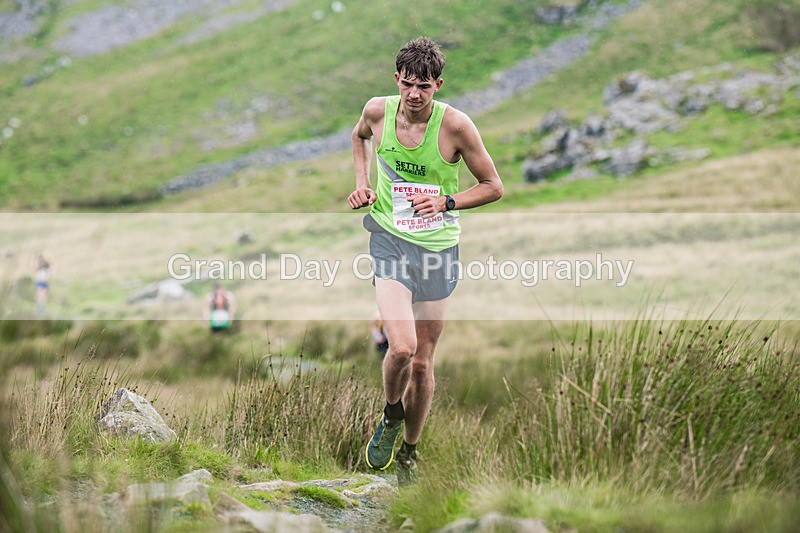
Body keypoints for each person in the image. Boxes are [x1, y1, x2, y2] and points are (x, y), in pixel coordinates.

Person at [348, 37, 503, 485]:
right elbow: (358, 138)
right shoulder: (377, 111)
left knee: (423, 363)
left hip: (437, 250)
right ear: (397, 80)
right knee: (401, 347)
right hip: (389, 242)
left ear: (438, 85)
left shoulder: (456, 126)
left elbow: (493, 186)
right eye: (408, 85)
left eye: (424, 87)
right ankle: (391, 416)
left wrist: (448, 202)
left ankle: (410, 454)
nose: (415, 95)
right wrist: (363, 183)